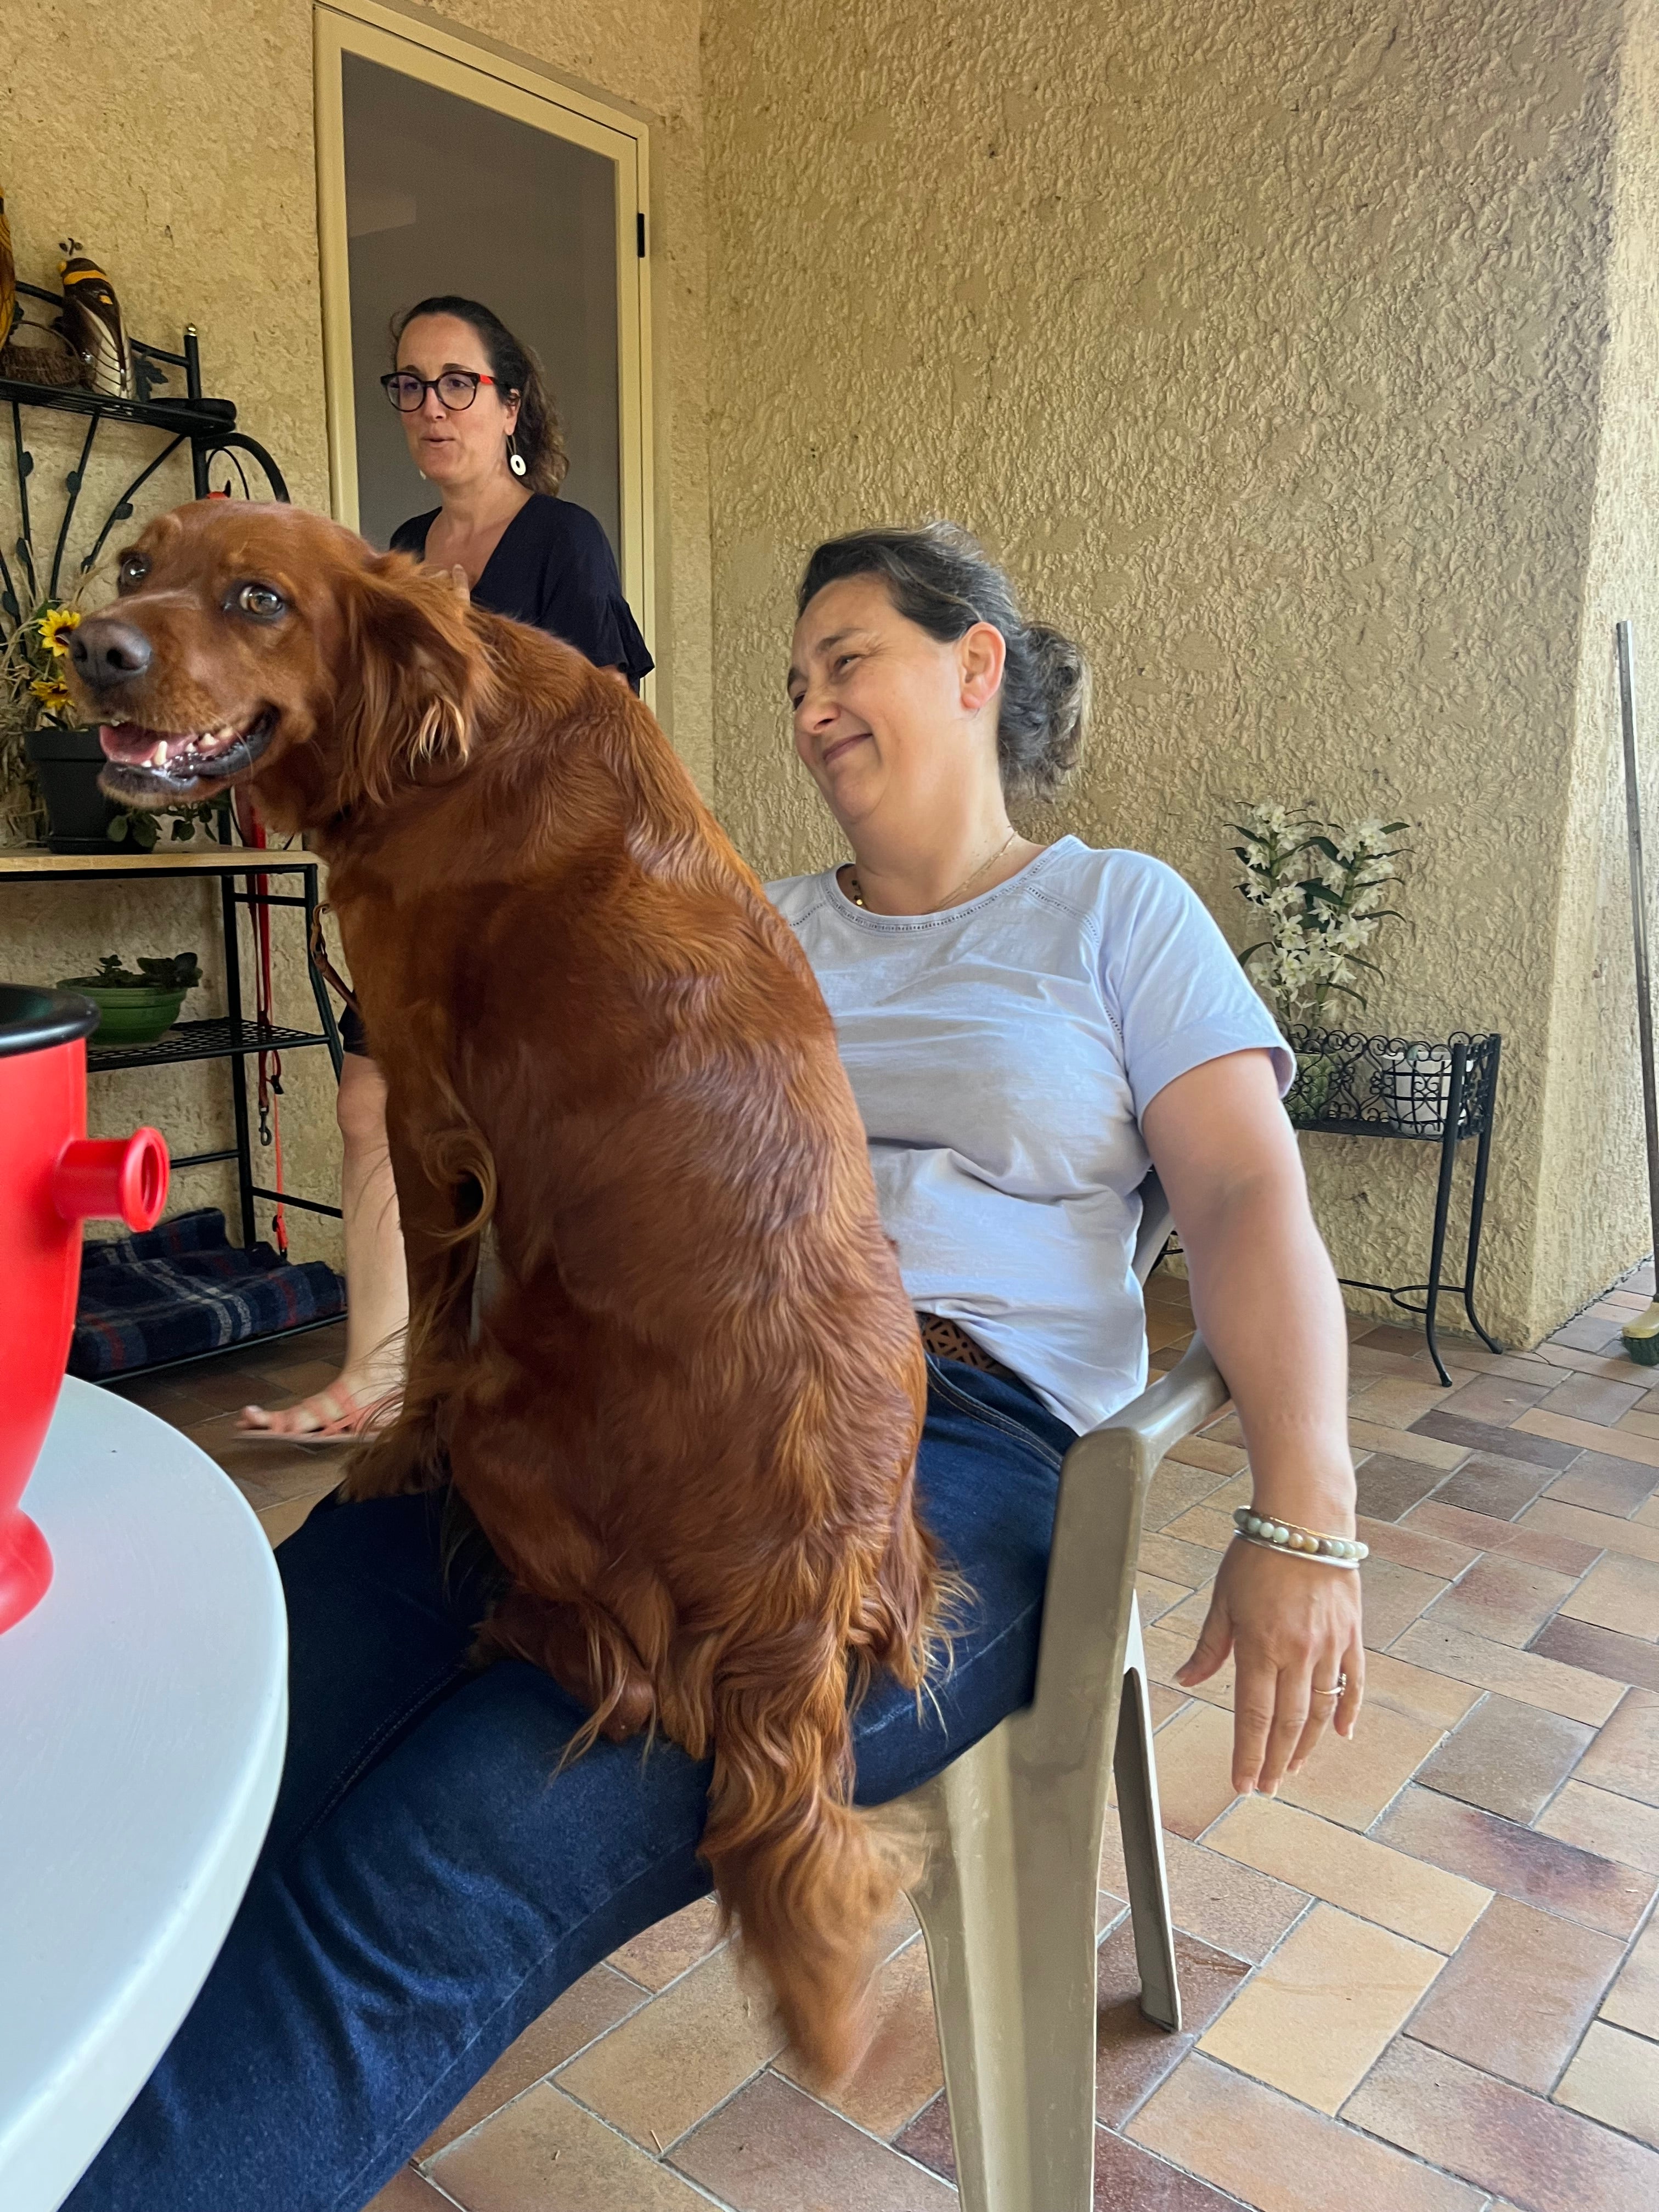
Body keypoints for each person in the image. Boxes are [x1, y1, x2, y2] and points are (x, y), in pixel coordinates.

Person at [74, 523, 1363, 2210]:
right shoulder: (727, 905)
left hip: (953, 1451)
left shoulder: (1115, 909)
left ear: (978, 668)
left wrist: (1307, 1514)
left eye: (851, 661)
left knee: (461, 1844)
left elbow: (1249, 1193)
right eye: (794, 681)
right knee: (253, 1709)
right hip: (610, 1396)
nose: (812, 705)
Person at [239, 296, 652, 1440]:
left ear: (510, 403)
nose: (431, 407)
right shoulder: (399, 555)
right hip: (422, 890)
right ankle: (378, 1373)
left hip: (533, 892)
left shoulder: (562, 542)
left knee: (519, 1131)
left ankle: (551, 1379)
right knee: (372, 1102)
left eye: (456, 382)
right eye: (411, 384)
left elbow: (605, 722)